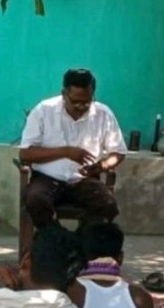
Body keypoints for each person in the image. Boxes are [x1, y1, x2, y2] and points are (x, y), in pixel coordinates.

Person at [20, 68, 126, 231]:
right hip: (47, 179)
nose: (81, 107)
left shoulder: (103, 114)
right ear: (64, 94)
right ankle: (56, 240)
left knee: (108, 205)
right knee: (36, 201)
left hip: (84, 180)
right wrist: (66, 152)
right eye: (75, 101)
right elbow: (26, 153)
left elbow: (118, 151)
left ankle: (83, 243)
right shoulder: (43, 111)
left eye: (87, 102)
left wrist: (103, 165)